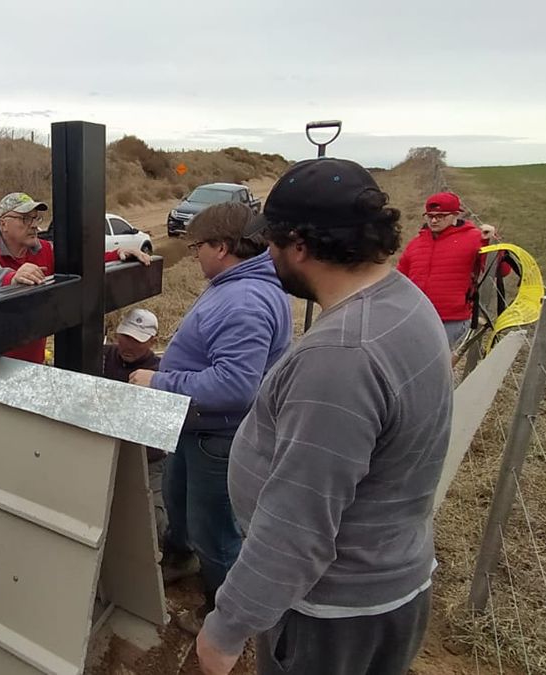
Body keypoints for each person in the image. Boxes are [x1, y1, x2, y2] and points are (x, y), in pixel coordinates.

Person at [195, 158, 453, 675]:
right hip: (386, 584)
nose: (267, 253)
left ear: (299, 246)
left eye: (271, 241)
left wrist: (227, 628)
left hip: (332, 617)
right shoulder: (404, 301)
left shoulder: (342, 356)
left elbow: (297, 526)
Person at [128, 201, 292, 635]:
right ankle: (181, 557)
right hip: (197, 428)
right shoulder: (236, 284)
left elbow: (235, 386)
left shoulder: (244, 301)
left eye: (198, 246)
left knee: (215, 532)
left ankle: (223, 615)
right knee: (179, 499)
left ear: (221, 247)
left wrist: (159, 380)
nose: (195, 254)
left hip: (218, 438)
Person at [0, 192, 151, 363]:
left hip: (34, 361)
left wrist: (118, 253)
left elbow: (82, 262)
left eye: (35, 218)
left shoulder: (45, 249)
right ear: (3, 224)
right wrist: (12, 277)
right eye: (25, 219)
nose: (34, 225)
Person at [396, 191, 500, 347]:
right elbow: (399, 278)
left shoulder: (475, 238)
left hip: (451, 320)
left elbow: (501, 271)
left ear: (455, 215)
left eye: (441, 216)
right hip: (416, 317)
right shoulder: (417, 243)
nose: (434, 220)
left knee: (433, 358)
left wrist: (491, 242)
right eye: (430, 216)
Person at [103, 307, 166, 538]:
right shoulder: (101, 356)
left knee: (155, 523)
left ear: (152, 341)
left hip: (147, 458)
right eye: (125, 337)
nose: (128, 345)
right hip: (102, 451)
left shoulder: (161, 374)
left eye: (137, 340)